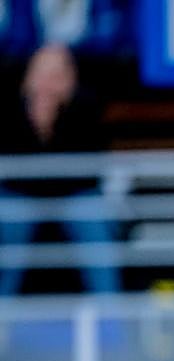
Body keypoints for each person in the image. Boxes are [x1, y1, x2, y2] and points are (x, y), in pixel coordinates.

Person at [0, 43, 118, 295]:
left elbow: (89, 169)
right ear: (28, 78)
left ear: (69, 80)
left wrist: (54, 123)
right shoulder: (9, 108)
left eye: (55, 76)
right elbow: (11, 168)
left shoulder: (85, 108)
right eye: (41, 74)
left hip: (74, 195)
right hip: (20, 195)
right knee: (10, 220)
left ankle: (109, 309)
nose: (46, 83)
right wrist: (38, 127)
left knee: (93, 220)